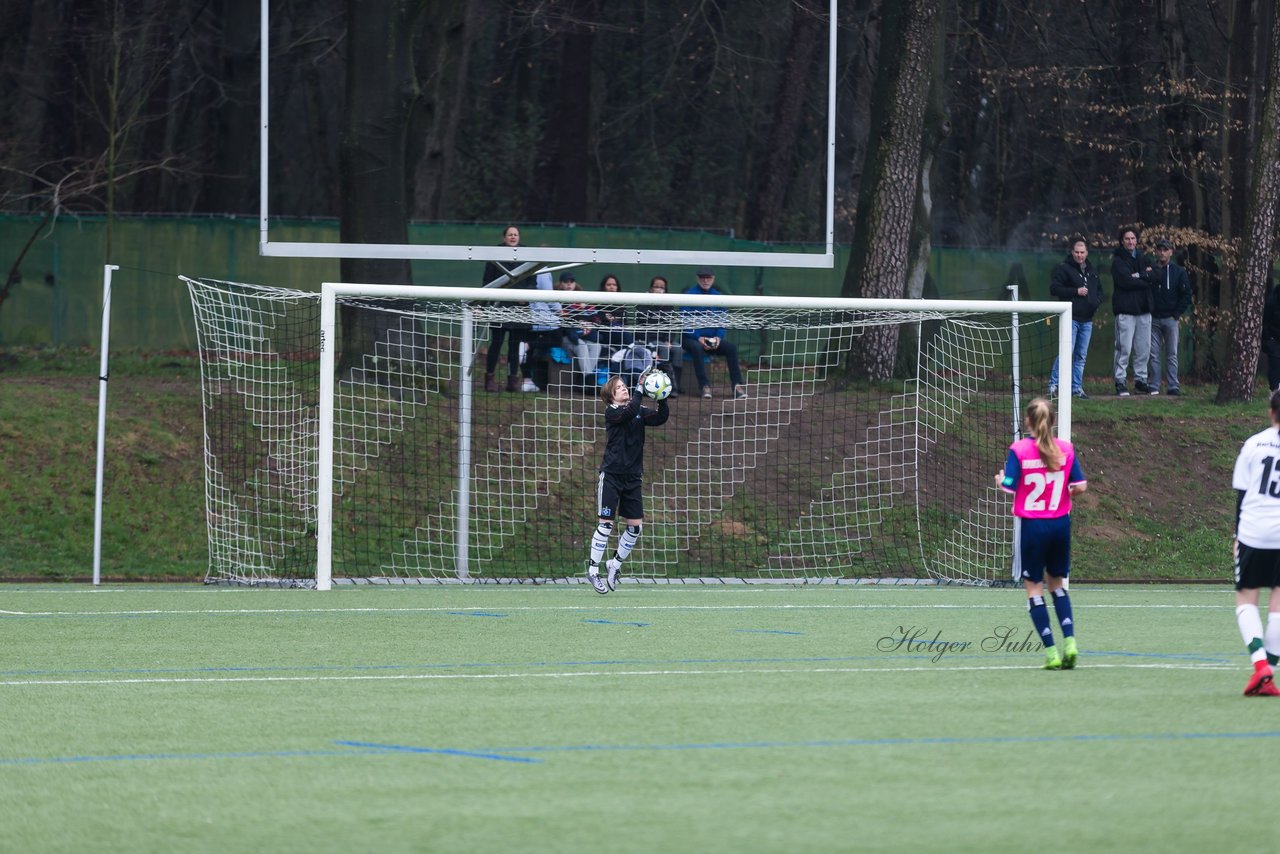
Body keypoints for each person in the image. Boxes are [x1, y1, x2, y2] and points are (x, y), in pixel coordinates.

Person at [995, 397, 1088, 670]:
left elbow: (1010, 486)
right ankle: (1069, 641)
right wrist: (1062, 492)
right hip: (1060, 524)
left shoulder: (1020, 449)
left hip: (1034, 527)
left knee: (1034, 588)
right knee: (1057, 585)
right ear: (1053, 420)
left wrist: (1000, 480)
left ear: (1028, 422)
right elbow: (1081, 486)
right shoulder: (1066, 449)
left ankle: (1051, 652)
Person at [585, 373, 670, 594]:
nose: (625, 389)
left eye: (625, 386)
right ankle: (593, 571)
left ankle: (614, 565)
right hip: (612, 476)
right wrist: (640, 389)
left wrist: (662, 396)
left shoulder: (638, 411)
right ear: (610, 395)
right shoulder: (612, 412)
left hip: (633, 477)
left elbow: (661, 418)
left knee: (635, 527)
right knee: (606, 524)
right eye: (620, 387)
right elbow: (629, 411)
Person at [1230, 389, 1280, 696]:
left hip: (1253, 531)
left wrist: (1236, 535)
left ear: (1271, 412)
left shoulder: (1253, 444)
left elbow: (1241, 494)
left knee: (1246, 598)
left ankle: (1261, 665)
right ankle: (1270, 674)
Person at [1048, 238, 1103, 399]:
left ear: (1087, 253)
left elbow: (1099, 291)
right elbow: (1054, 289)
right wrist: (1075, 291)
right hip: (1070, 318)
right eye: (1077, 252)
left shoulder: (1092, 270)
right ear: (1072, 252)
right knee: (1066, 352)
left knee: (1081, 356)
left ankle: (1076, 388)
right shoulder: (1063, 269)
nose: (1080, 255)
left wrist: (1095, 302)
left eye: (1082, 252)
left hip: (1087, 320)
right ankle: (1054, 384)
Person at [681, 267, 747, 399]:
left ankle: (737, 386)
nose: (705, 280)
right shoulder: (688, 295)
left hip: (712, 340)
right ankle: (705, 386)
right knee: (696, 348)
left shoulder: (718, 297)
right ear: (697, 278)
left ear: (713, 279)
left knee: (731, 348)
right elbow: (685, 323)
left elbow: (722, 322)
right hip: (691, 340)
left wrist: (718, 337)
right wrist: (698, 338)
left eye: (708, 277)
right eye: (702, 277)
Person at [481, 225, 531, 392]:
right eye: (510, 234)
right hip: (498, 307)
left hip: (520, 308)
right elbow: (487, 281)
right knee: (496, 343)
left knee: (514, 345)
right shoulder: (495, 255)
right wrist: (484, 304)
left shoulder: (527, 254)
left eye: (515, 234)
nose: (513, 237)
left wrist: (526, 297)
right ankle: (489, 378)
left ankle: (512, 380)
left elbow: (532, 282)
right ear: (504, 238)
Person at [1110, 227, 1155, 396]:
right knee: (1124, 348)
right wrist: (1144, 277)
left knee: (1144, 347)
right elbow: (1125, 281)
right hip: (1126, 311)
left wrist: (1138, 276)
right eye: (1127, 238)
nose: (1130, 241)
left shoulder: (1144, 257)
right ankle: (1120, 380)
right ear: (1122, 241)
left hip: (1144, 310)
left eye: (1133, 238)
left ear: (1137, 240)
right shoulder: (1118, 261)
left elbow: (1155, 275)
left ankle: (1140, 380)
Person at [1146, 237, 1193, 396]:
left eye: (1165, 249)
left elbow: (1186, 294)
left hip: (1171, 318)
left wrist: (1177, 313)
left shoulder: (1178, 272)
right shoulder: (1151, 270)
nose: (1162, 252)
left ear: (1171, 252)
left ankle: (1173, 385)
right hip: (1154, 318)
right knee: (1154, 353)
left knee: (1172, 353)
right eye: (1159, 249)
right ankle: (1154, 385)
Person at [635, 275, 684, 396]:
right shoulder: (643, 303)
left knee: (678, 349)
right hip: (648, 339)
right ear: (651, 288)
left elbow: (671, 326)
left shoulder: (668, 305)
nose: (659, 289)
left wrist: (669, 340)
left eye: (662, 287)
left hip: (664, 340)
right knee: (663, 349)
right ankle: (669, 387)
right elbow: (641, 326)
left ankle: (676, 383)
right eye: (656, 286)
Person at [555, 272, 602, 386]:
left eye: (571, 282)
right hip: (565, 339)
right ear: (561, 284)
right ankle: (590, 382)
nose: (569, 285)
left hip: (582, 335)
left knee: (596, 346)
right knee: (581, 345)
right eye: (566, 282)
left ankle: (585, 379)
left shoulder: (581, 299)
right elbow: (567, 330)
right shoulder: (556, 298)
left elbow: (592, 321)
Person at [1263, 278, 1280, 393]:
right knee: (1274, 364)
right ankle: (1274, 391)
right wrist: (1269, 338)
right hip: (1273, 339)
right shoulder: (1272, 301)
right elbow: (1265, 321)